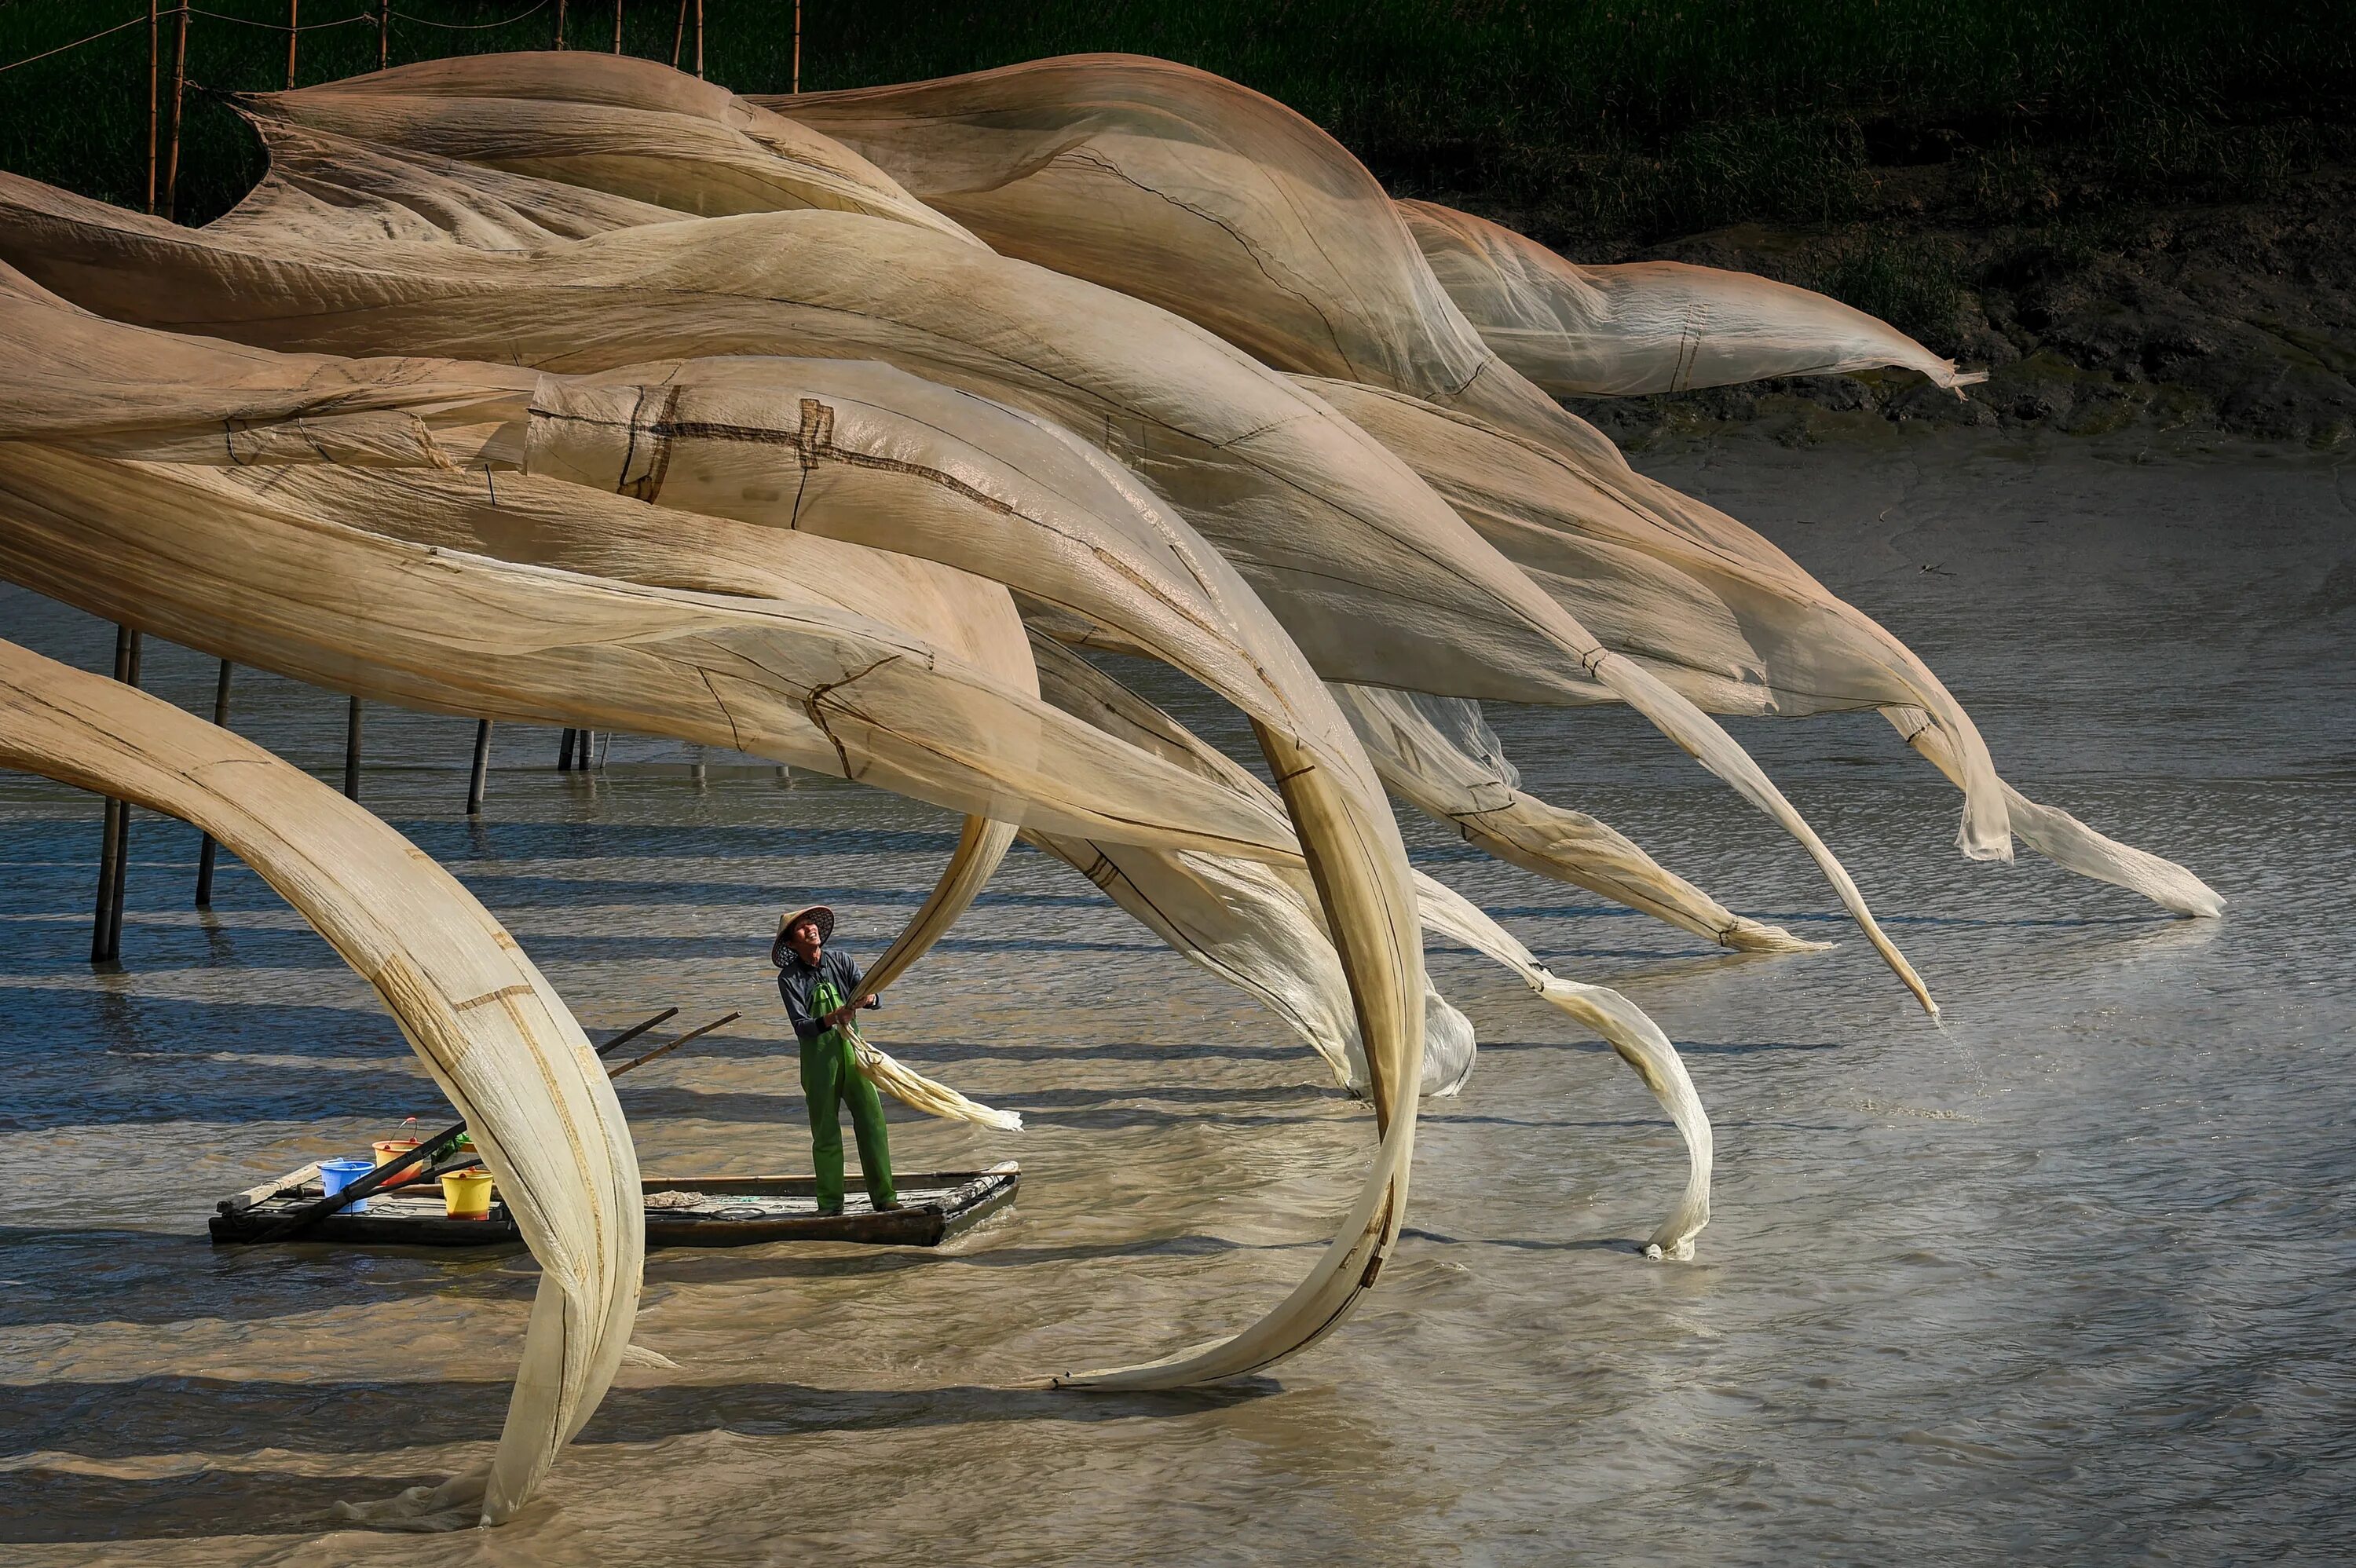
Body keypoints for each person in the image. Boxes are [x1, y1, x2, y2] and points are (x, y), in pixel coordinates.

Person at [772, 905, 897, 1215]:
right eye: (801, 928)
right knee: (826, 1132)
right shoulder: (789, 978)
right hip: (818, 1060)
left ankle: (885, 1198)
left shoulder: (841, 961)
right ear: (791, 943)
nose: (810, 928)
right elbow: (801, 1026)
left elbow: (875, 996)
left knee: (872, 1123)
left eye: (810, 923)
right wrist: (832, 1017)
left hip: (853, 1051)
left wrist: (870, 1000)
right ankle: (830, 1205)